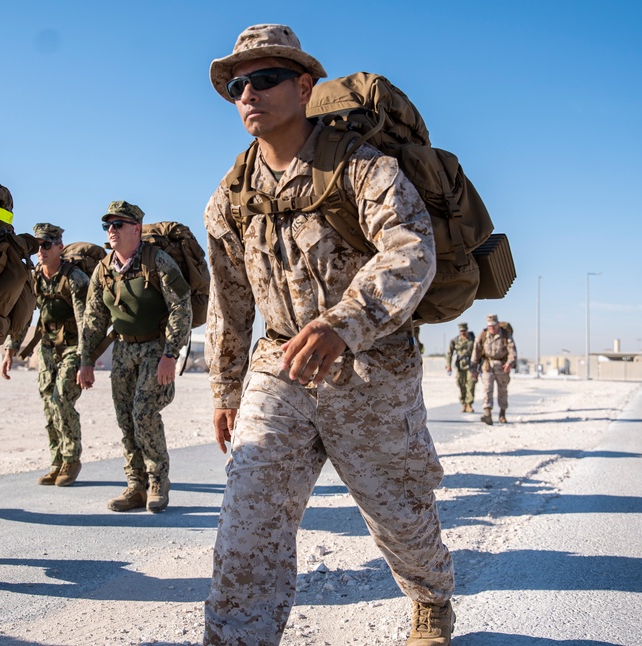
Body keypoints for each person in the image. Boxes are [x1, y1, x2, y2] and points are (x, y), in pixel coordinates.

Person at [203, 24, 455, 646]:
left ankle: (431, 597)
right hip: (279, 368)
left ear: (305, 85)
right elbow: (228, 301)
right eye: (238, 84)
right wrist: (224, 388)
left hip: (371, 368)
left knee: (399, 514)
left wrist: (344, 324)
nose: (248, 94)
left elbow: (409, 248)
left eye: (265, 79)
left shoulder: (363, 168)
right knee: (248, 517)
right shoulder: (229, 197)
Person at [77, 200, 192, 514]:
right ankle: (135, 486)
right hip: (123, 351)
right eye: (107, 225)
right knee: (125, 419)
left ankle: (157, 482)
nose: (111, 231)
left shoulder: (158, 261)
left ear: (136, 228)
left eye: (118, 224)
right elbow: (93, 317)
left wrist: (171, 353)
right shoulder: (104, 269)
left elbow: (181, 307)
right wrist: (86, 360)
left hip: (156, 348)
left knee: (144, 413)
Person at [1, 223, 88, 487]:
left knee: (62, 398)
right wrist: (10, 349)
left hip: (73, 347)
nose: (41, 250)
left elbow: (86, 320)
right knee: (49, 404)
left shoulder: (75, 278)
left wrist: (86, 359)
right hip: (49, 348)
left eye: (47, 245)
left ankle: (72, 459)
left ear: (60, 247)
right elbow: (25, 314)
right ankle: (56, 461)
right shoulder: (35, 277)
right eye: (38, 245)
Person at [471, 313, 517, 425]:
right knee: (487, 389)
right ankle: (488, 415)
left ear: (498, 325)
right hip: (487, 365)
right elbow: (475, 353)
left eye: (493, 326)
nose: (491, 328)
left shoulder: (505, 335)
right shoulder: (482, 335)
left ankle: (502, 414)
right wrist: (473, 370)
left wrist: (509, 363)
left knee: (502, 390)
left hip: (502, 366)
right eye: (489, 326)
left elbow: (512, 352)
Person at [445, 322, 477, 413]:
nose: (463, 332)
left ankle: (469, 404)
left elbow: (479, 352)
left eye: (464, 330)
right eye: (461, 331)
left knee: (470, 385)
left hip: (471, 365)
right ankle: (463, 404)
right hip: (460, 366)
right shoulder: (455, 340)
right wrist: (448, 365)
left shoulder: (473, 340)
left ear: (467, 330)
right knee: (461, 384)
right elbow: (449, 353)